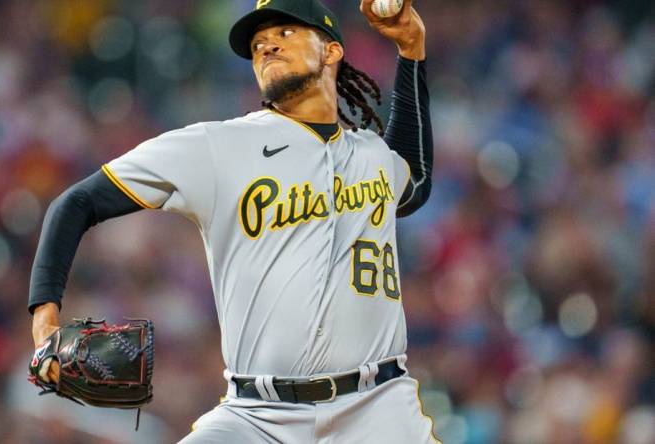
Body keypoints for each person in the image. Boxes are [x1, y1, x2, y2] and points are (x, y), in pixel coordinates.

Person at [28, 0, 438, 442]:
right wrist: (44, 320)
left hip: (378, 408)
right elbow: (76, 203)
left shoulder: (371, 155)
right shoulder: (217, 146)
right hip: (257, 416)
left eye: (285, 33)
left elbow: (414, 179)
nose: (267, 47)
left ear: (332, 51)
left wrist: (411, 49)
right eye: (259, 44)